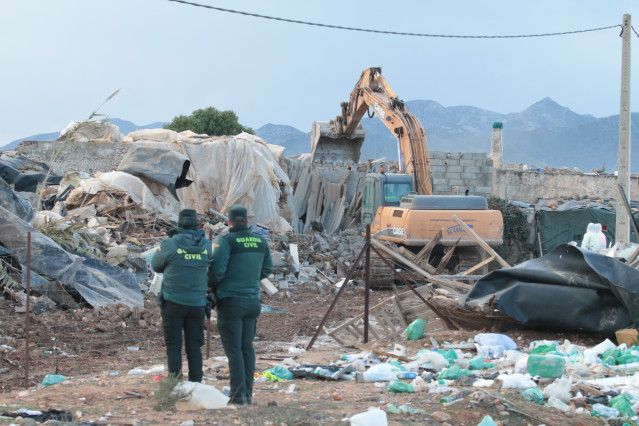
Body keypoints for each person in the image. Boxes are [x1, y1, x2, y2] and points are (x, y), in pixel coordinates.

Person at [208, 204, 273, 405]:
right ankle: (247, 394)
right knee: (247, 348)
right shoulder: (260, 241)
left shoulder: (227, 241)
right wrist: (250, 279)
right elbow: (267, 269)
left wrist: (213, 285)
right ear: (247, 221)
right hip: (253, 301)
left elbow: (216, 271)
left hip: (231, 302)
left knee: (234, 349)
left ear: (228, 222)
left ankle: (237, 396)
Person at [152, 209, 212, 382]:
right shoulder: (207, 245)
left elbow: (156, 265)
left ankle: (175, 384)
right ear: (196, 223)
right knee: (194, 346)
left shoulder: (169, 244)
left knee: (173, 346)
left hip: (173, 301)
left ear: (179, 223)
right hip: (197, 303)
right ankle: (196, 383)